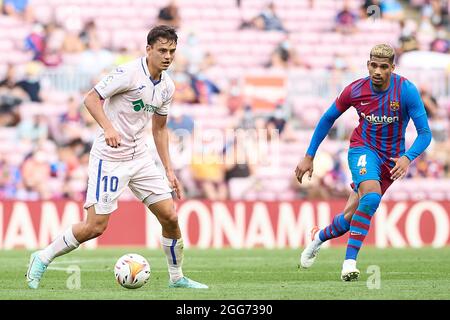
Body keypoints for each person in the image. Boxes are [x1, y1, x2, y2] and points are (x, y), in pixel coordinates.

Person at [26, 25, 208, 290]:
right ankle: (42, 257)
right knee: (95, 226)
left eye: (172, 51)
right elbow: (90, 99)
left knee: (169, 216)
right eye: (162, 51)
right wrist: (108, 127)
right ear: (148, 50)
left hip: (140, 157)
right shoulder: (128, 73)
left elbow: (159, 128)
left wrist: (169, 170)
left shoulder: (167, 86)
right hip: (110, 157)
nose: (168, 56)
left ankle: (177, 277)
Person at [295, 44, 432, 281]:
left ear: (392, 68)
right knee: (370, 197)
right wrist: (309, 155)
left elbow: (425, 133)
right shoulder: (355, 90)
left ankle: (319, 238)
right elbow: (328, 118)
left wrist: (407, 157)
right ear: (368, 65)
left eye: (383, 67)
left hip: (391, 161)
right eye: (374, 65)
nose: (377, 71)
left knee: (349, 218)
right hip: (362, 149)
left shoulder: (406, 90)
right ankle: (349, 264)